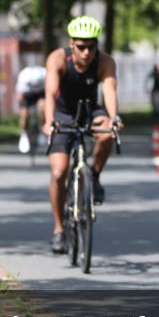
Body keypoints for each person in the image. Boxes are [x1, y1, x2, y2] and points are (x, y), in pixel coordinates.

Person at [43, 16, 121, 254]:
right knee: (58, 172)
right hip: (63, 114)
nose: (87, 52)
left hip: (90, 110)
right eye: (81, 46)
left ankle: (94, 175)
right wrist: (48, 122)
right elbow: (50, 94)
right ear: (71, 44)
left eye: (91, 46)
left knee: (106, 131)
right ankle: (58, 229)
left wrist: (114, 117)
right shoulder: (58, 59)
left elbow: (109, 90)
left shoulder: (104, 61)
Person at [16, 65, 47, 153]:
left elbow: (50, 92)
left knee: (43, 107)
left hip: (41, 92)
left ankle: (42, 131)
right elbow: (20, 96)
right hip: (27, 94)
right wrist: (22, 109)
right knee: (24, 113)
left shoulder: (45, 74)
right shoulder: (23, 76)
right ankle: (24, 133)